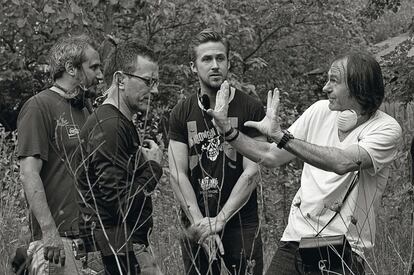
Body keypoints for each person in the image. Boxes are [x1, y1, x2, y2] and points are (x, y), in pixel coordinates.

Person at [205, 51, 402, 274]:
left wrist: (282, 136)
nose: (325, 87)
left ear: (359, 87)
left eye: (334, 81)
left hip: (344, 247)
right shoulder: (319, 111)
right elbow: (271, 155)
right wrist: (229, 132)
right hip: (295, 240)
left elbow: (343, 162)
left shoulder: (387, 129)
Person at [168, 29, 265, 275]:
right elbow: (177, 173)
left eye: (220, 59)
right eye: (206, 59)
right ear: (193, 66)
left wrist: (220, 219)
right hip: (196, 219)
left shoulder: (251, 108)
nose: (214, 65)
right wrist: (202, 225)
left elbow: (252, 172)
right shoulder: (181, 112)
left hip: (240, 222)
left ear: (229, 62)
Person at [17, 35, 103, 274]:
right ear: (71, 68)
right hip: (56, 241)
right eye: (93, 67)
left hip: (88, 238)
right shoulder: (38, 106)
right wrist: (49, 232)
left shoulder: (85, 108)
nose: (100, 74)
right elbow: (28, 174)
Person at [76, 39, 164, 275]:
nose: (154, 90)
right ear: (120, 79)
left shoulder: (116, 122)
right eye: (148, 81)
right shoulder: (110, 127)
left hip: (122, 247)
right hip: (114, 251)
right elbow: (119, 206)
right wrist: (153, 167)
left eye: (155, 82)